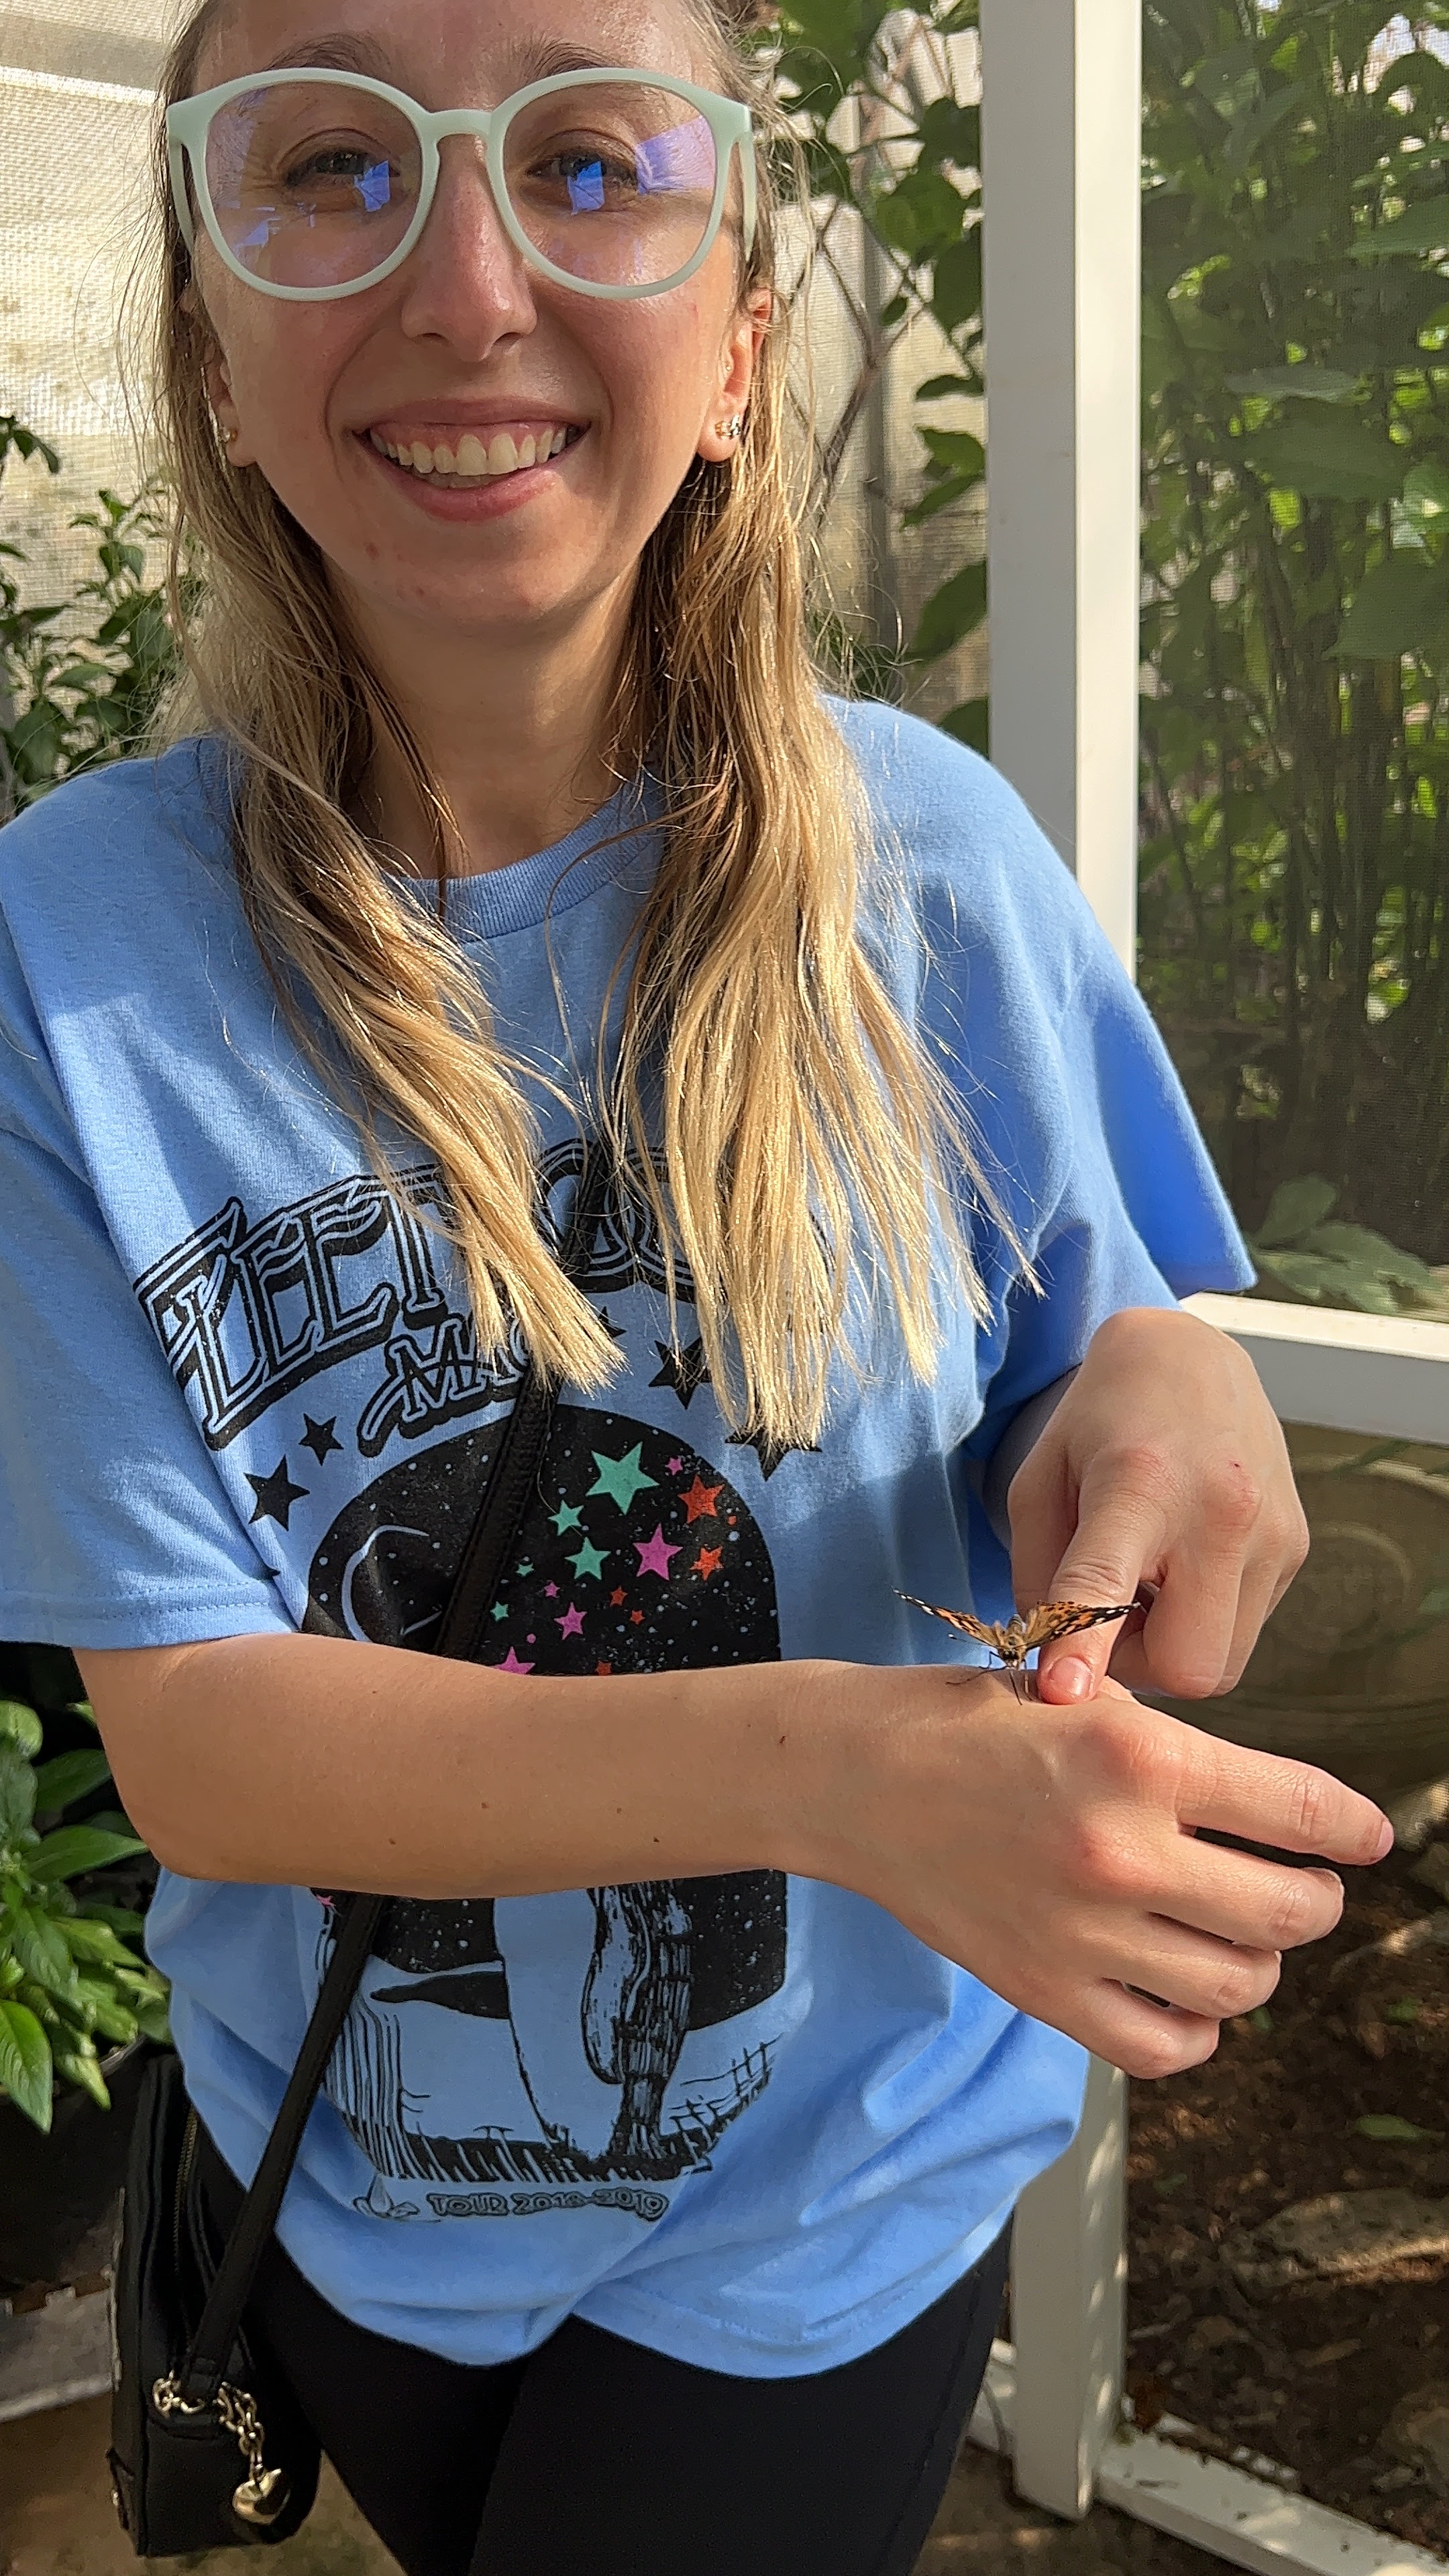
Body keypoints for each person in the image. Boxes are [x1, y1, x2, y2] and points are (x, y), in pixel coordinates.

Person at [0, 0, 1389, 2567]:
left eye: (595, 156)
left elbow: (1115, 1323)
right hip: (361, 2199)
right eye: (329, 162)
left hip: (834, 2201)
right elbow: (197, 1735)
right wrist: (856, 1775)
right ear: (212, 334)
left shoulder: (937, 868)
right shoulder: (60, 961)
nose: (467, 278)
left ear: (742, 334)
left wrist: (1176, 1398)